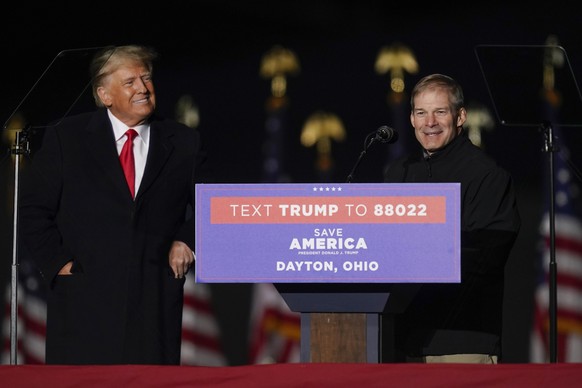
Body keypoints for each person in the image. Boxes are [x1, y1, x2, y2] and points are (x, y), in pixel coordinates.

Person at [19, 45, 202, 365]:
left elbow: (211, 205)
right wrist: (59, 264)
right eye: (130, 82)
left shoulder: (183, 141)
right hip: (83, 303)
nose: (143, 88)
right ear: (104, 95)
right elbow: (33, 210)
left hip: (154, 303)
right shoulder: (67, 138)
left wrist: (187, 239)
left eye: (146, 78)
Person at [383, 73, 521, 364]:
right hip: (398, 342)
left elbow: (486, 257)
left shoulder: (486, 176)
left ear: (460, 117)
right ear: (411, 119)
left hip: (461, 341)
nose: (429, 122)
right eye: (421, 112)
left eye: (440, 112)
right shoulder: (398, 173)